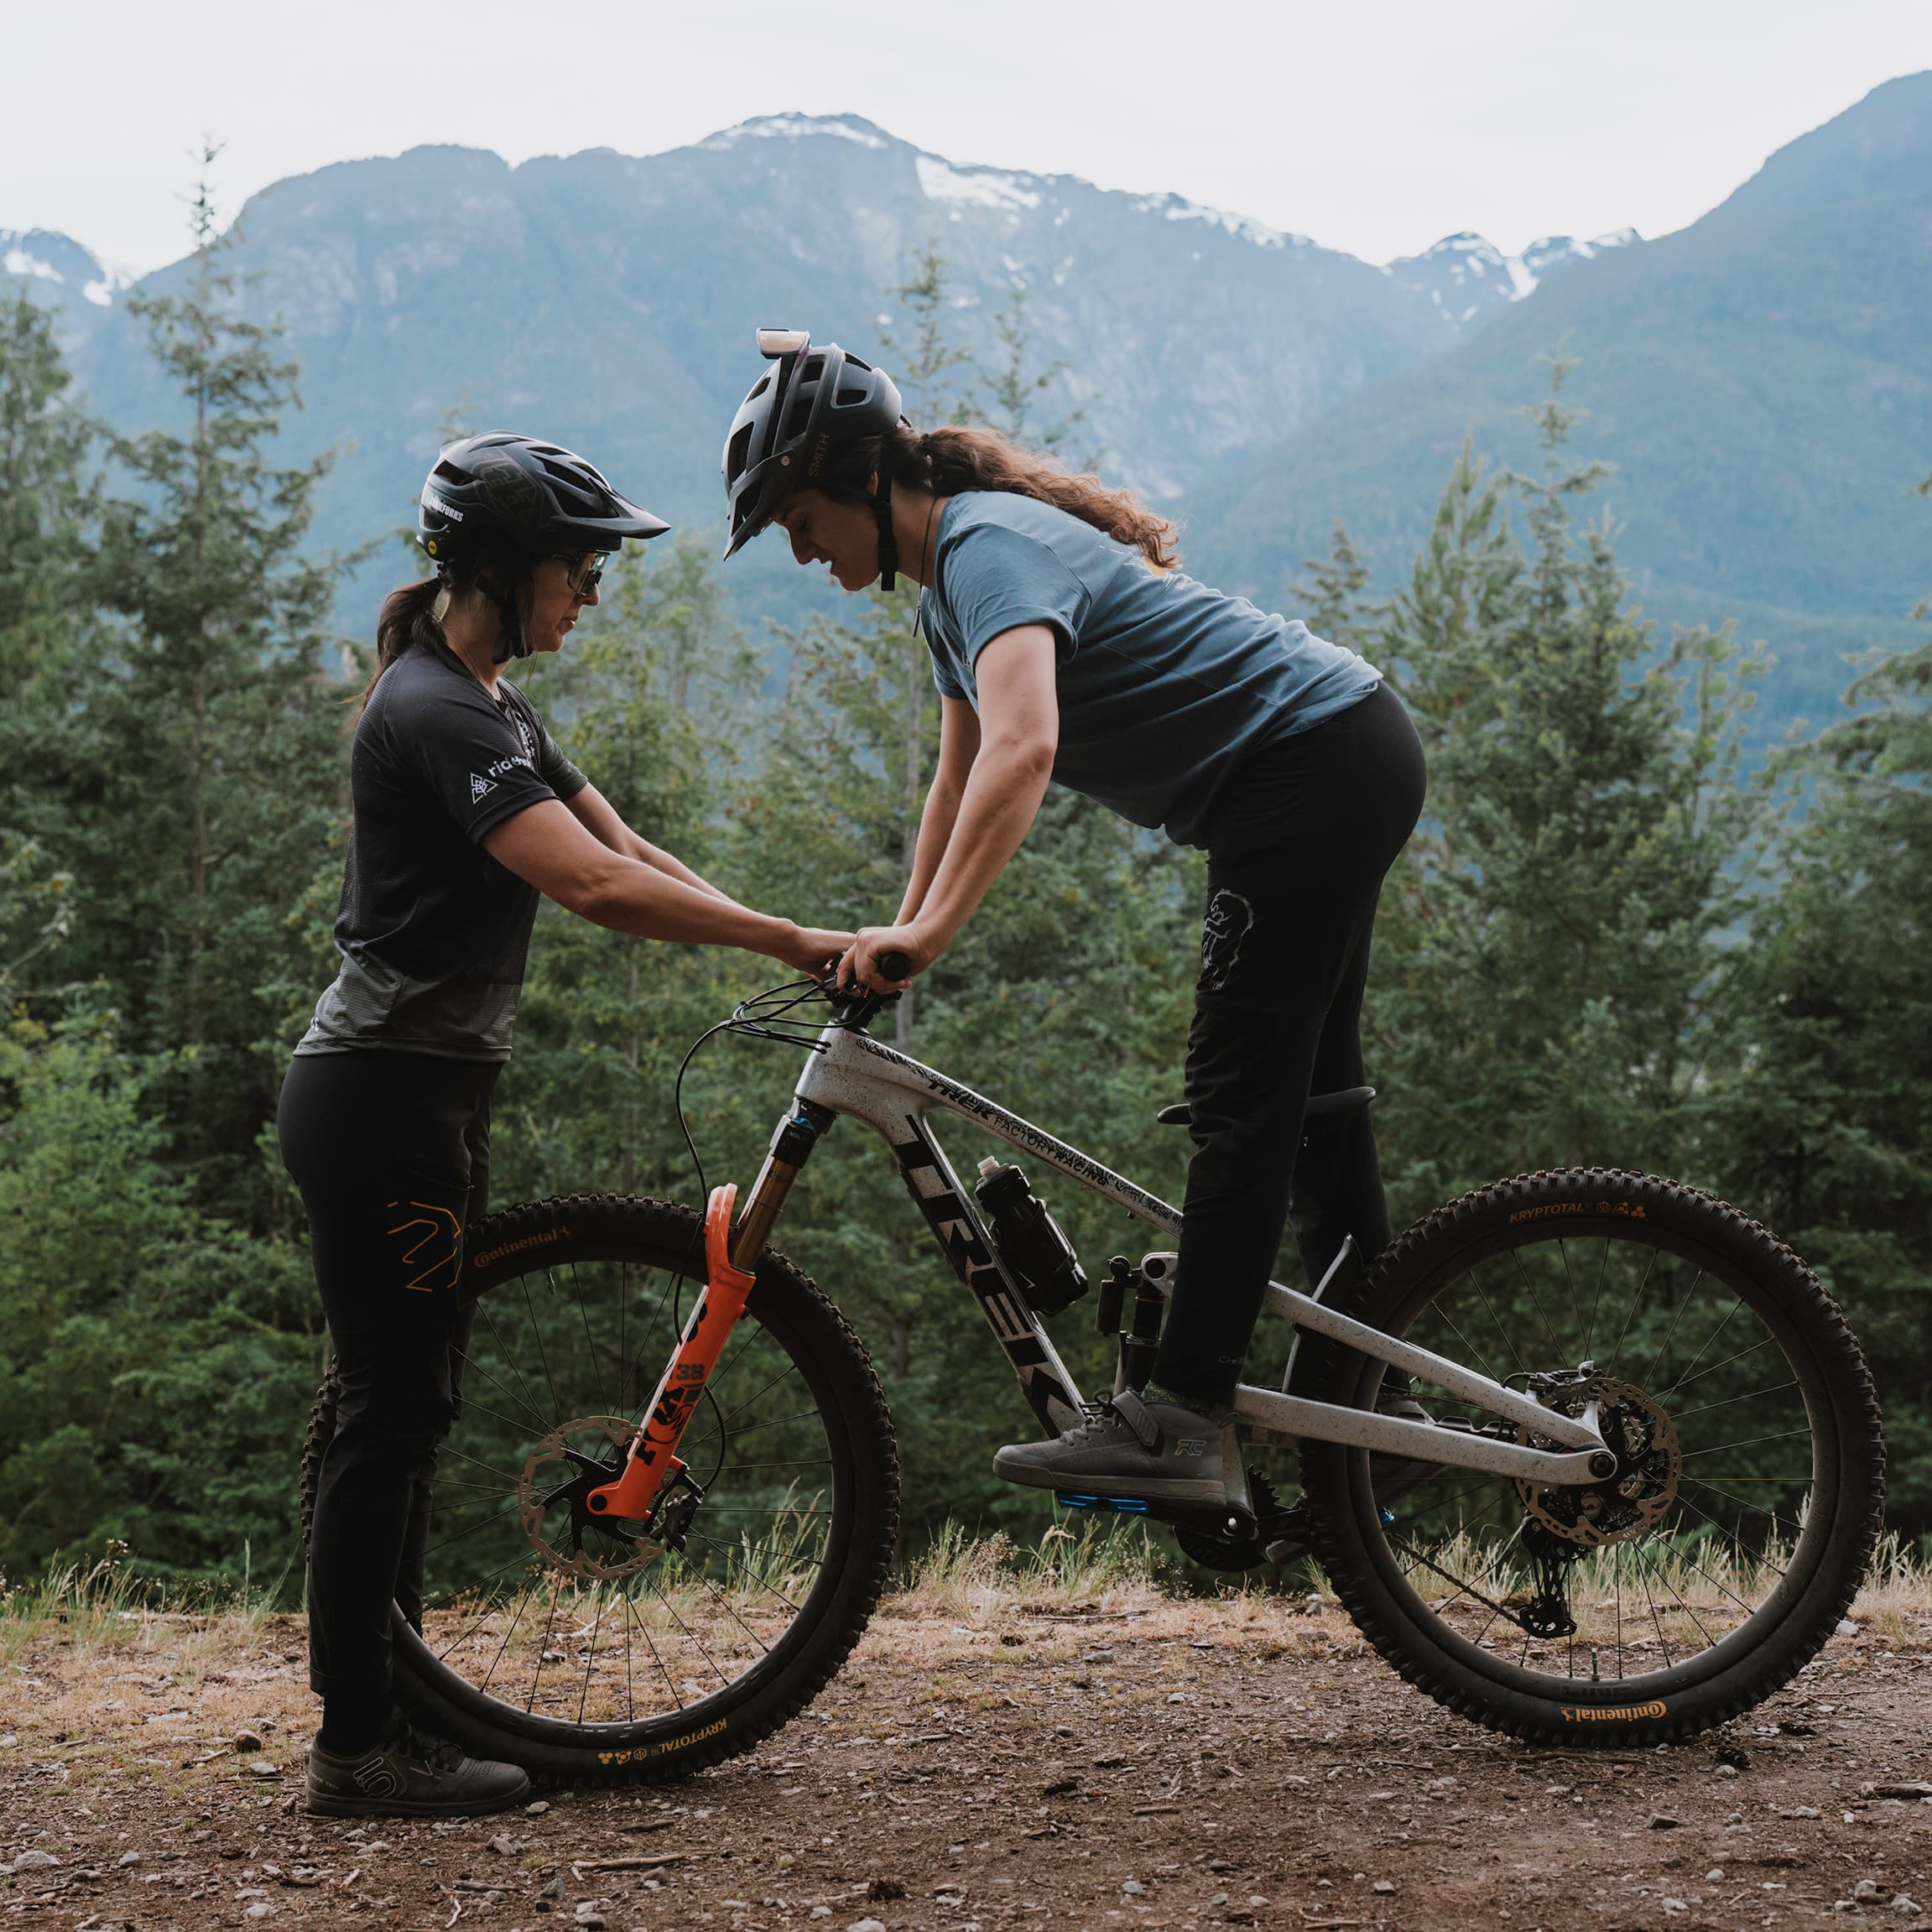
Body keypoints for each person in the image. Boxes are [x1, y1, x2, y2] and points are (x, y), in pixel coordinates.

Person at [721, 331, 1425, 1517]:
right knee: (1302, 1100)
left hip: (1310, 772)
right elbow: (955, 785)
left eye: (801, 520)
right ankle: (1377, 1397)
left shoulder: (988, 552)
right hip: (1335, 759)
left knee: (1240, 1096)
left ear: (860, 478)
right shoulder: (949, 595)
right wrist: (896, 939)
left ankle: (1184, 1416)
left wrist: (932, 935)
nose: (803, 551)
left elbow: (1025, 747)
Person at [282, 433, 851, 1817]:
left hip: (422, 1097)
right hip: (384, 1101)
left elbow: (629, 848)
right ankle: (358, 1747)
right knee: (387, 1413)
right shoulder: (438, 711)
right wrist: (790, 936)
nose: (592, 594)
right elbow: (590, 889)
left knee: (406, 1405)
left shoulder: (486, 701)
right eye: (579, 567)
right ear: (500, 566)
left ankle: (395, 1716)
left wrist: (796, 946)